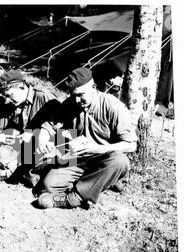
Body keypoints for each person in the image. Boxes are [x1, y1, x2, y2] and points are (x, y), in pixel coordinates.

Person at [35, 67, 137, 209]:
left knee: (120, 161)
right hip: (78, 159)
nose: (77, 100)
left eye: (81, 95)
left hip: (104, 159)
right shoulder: (70, 103)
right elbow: (49, 126)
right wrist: (43, 139)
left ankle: (73, 198)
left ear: (94, 87)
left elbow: (131, 144)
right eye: (73, 95)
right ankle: (100, 182)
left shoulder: (112, 106)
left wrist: (99, 149)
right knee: (49, 185)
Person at [0, 69, 59, 182]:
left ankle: (7, 172)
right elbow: (1, 125)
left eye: (10, 95)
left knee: (40, 162)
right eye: (6, 97)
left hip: (42, 147)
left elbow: (60, 126)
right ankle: (14, 169)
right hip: (20, 149)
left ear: (22, 87)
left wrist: (35, 135)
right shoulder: (15, 102)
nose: (8, 100)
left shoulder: (43, 97)